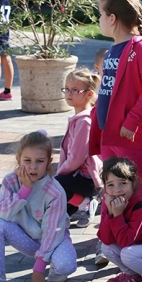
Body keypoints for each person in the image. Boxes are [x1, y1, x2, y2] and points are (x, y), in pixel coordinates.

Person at [0, 131, 77, 282]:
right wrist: (25, 190)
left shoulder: (55, 191)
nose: (33, 166)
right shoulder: (10, 181)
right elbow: (4, 213)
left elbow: (53, 230)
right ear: (18, 160)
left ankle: (55, 268)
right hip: (26, 239)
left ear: (49, 162)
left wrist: (40, 266)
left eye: (40, 161)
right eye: (27, 160)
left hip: (53, 239)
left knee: (66, 266)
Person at [89, 0, 142, 199]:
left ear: (112, 19)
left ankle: (141, 230)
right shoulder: (113, 49)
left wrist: (131, 122)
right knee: (112, 192)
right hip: (109, 134)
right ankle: (113, 231)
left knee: (134, 193)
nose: (99, 19)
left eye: (101, 14)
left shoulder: (141, 48)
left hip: (131, 137)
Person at [56, 69, 103, 228]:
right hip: (80, 175)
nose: (69, 93)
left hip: (88, 179)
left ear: (89, 94)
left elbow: (77, 157)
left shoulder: (84, 121)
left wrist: (60, 173)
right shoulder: (80, 118)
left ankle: (87, 203)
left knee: (54, 185)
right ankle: (61, 216)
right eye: (67, 89)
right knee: (58, 191)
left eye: (75, 90)